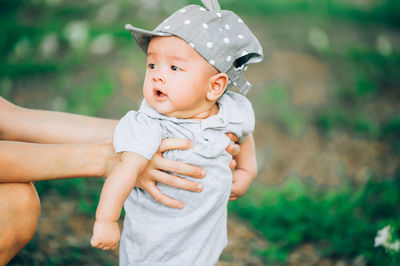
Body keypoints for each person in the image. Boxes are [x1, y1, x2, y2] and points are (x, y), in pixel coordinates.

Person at [90, 1, 263, 265]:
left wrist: (246, 171)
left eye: (174, 68)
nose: (158, 76)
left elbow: (245, 135)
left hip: (205, 242)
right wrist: (106, 220)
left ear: (215, 87)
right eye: (152, 66)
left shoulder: (232, 111)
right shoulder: (150, 124)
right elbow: (124, 171)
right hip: (155, 249)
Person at [0, 95, 241, 265]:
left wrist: (154, 136)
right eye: (152, 65)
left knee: (12, 202)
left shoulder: (233, 111)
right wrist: (109, 158)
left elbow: (9, 120)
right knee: (14, 206)